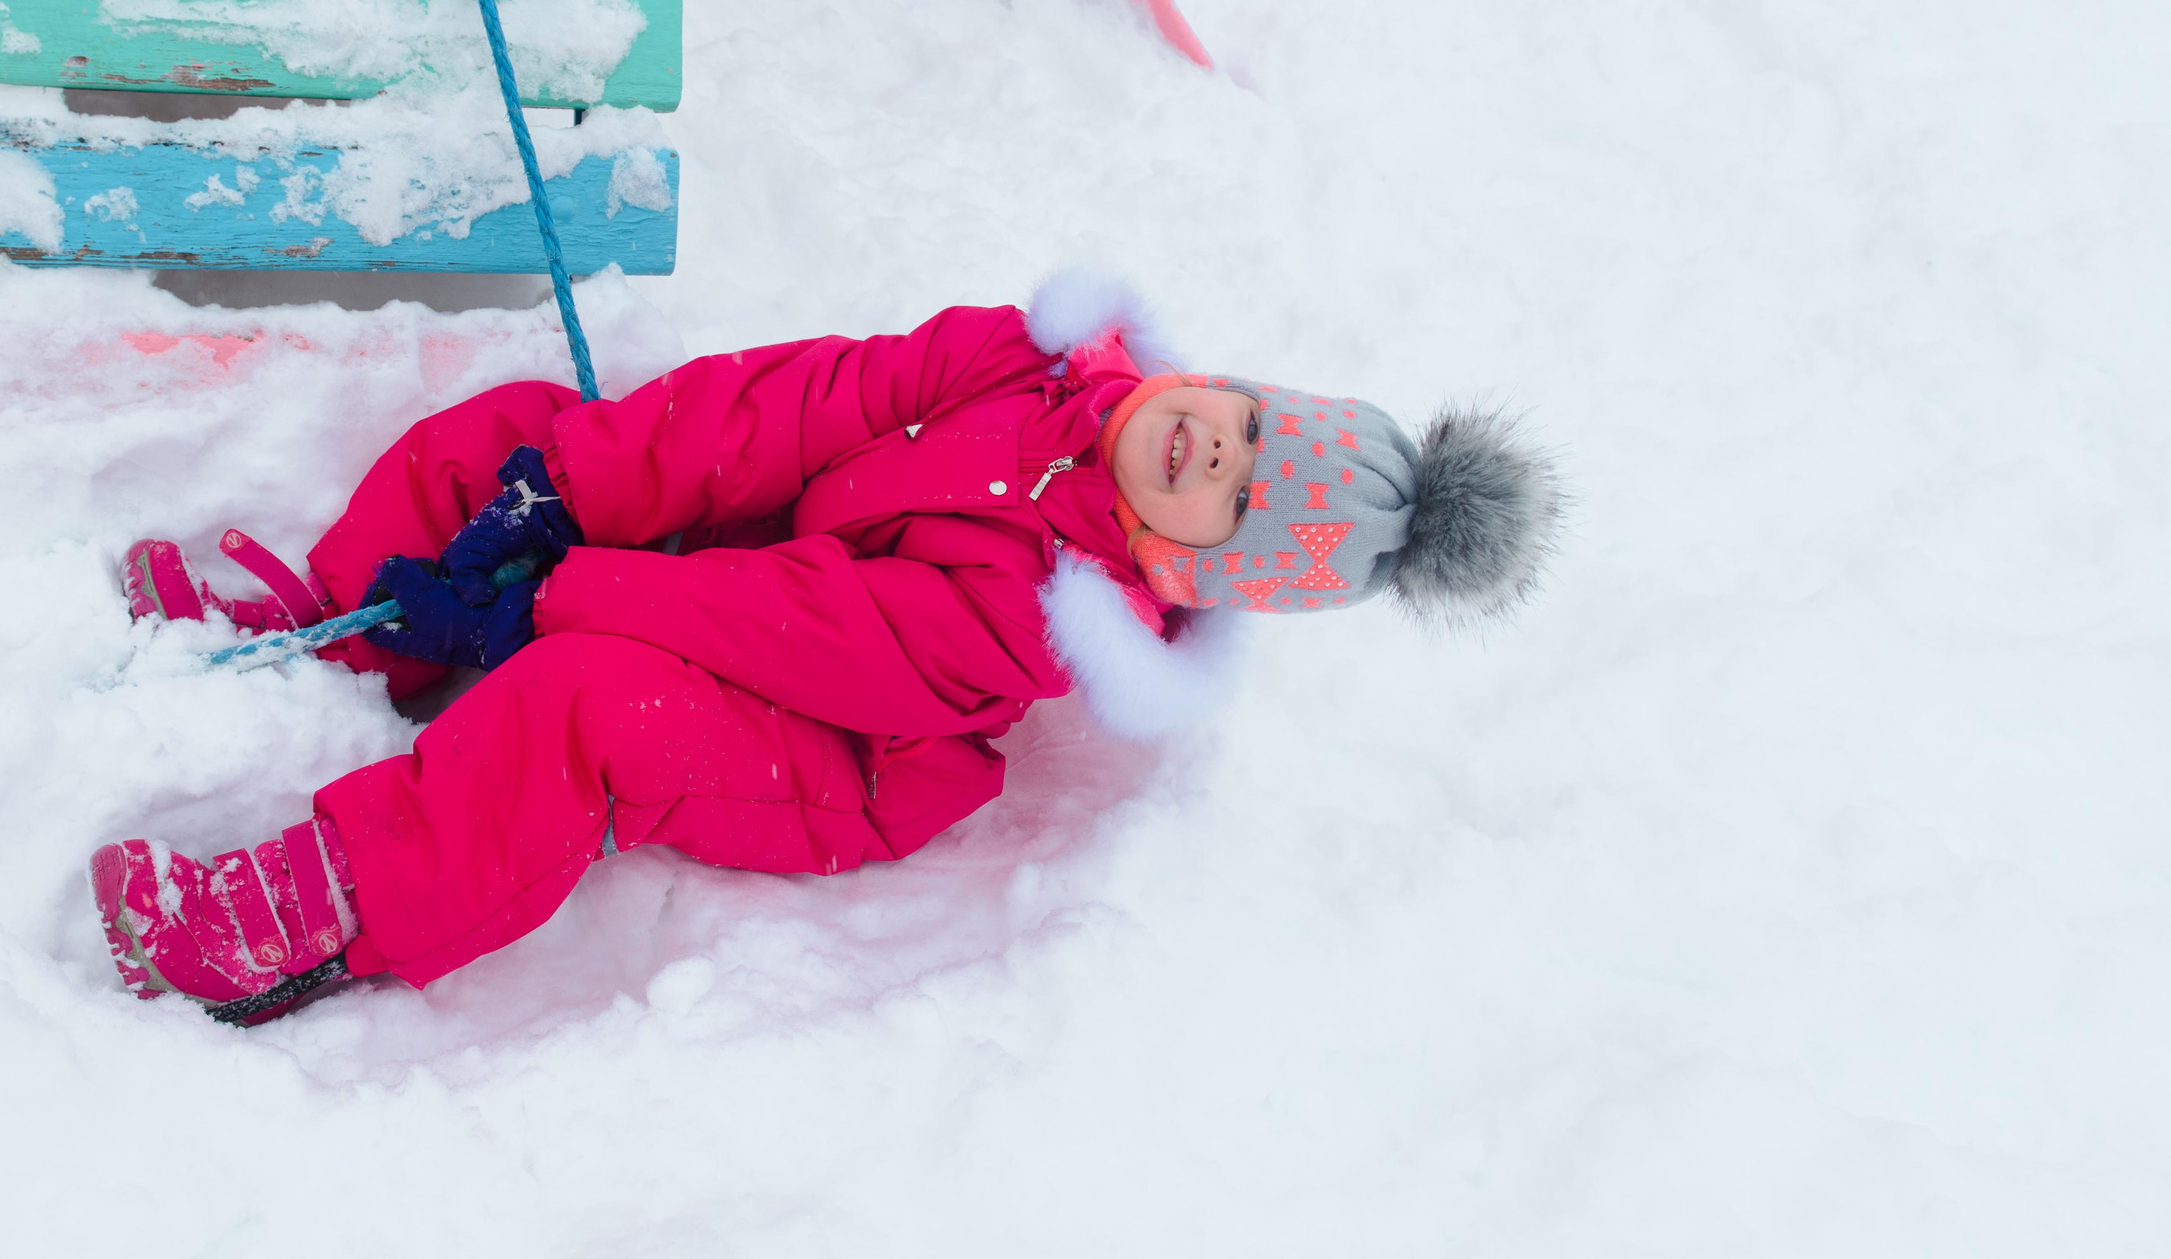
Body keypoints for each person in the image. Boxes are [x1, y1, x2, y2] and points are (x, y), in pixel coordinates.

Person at [93, 273, 1564, 1024]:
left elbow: (806, 635)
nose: (1215, 448)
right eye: (1246, 423)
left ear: (1201, 564)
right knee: (530, 431)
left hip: (828, 740)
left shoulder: (1038, 620)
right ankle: (342, 619)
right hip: (772, 557)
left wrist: (552, 599)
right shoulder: (1017, 359)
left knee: (591, 707)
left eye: (1237, 498)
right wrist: (569, 496)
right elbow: (786, 405)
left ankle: (315, 912)